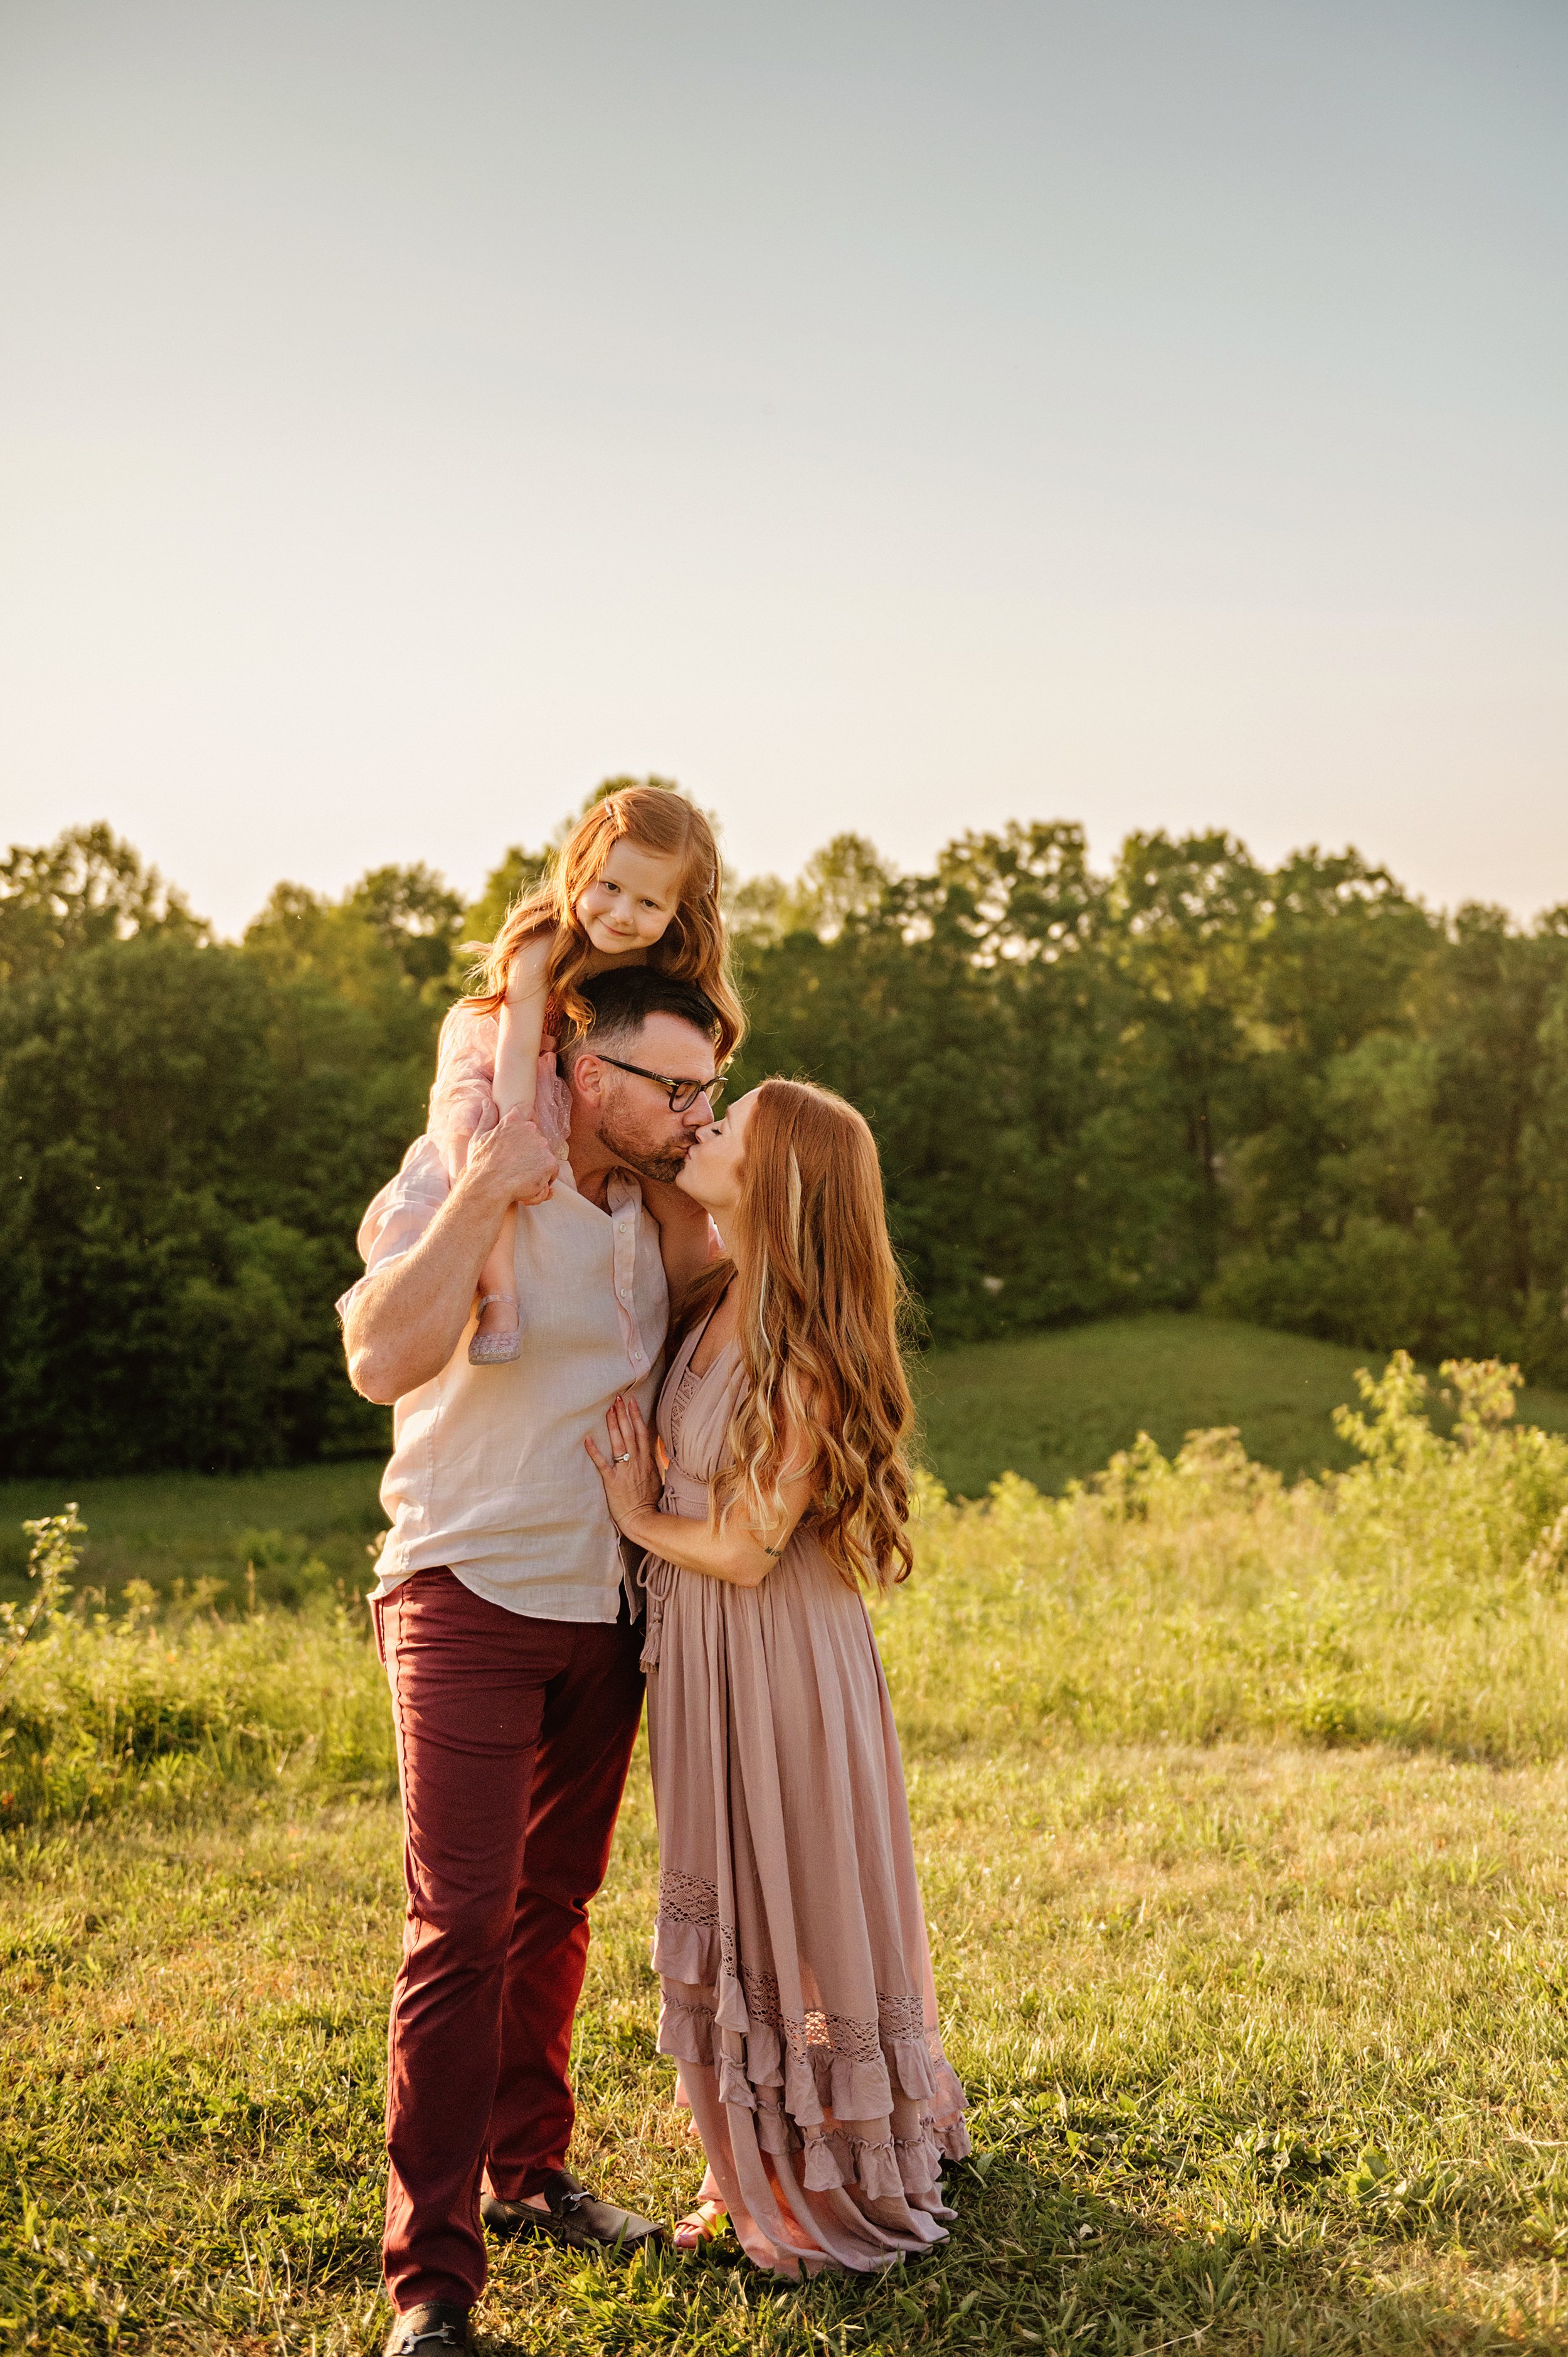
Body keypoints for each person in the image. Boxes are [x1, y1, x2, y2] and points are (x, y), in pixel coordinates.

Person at [341, 966, 726, 2357]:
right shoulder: (465, 1160)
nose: (694, 1113)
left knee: (556, 1903)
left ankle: (529, 2171)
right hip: (466, 1581)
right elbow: (381, 1359)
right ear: (577, 1066)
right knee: (461, 1923)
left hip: (610, 1605)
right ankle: (430, 2284)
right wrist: (485, 1191)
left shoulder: (651, 1215)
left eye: (706, 1090)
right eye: (670, 1087)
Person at [586, 1079, 970, 2278]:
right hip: (708, 1652)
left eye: (727, 1127)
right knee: (742, 1886)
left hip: (774, 1649)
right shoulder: (724, 1291)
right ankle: (762, 2148)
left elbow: (750, 1546)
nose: (702, 1129)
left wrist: (637, 1514)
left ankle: (818, 2174)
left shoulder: (798, 1339)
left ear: (778, 1181)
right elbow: (654, 1185)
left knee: (785, 1890)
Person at [427, 784, 743, 1366]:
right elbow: (518, 1054)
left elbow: (681, 1055)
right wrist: (521, 1130)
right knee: (482, 1149)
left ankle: (688, 1334)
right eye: (611, 887)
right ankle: (501, 1296)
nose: (622, 915)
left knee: (680, 1190)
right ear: (581, 868)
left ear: (680, 908)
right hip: (513, 1065)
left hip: (593, 1071)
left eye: (650, 904)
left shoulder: (671, 958)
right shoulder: (543, 944)